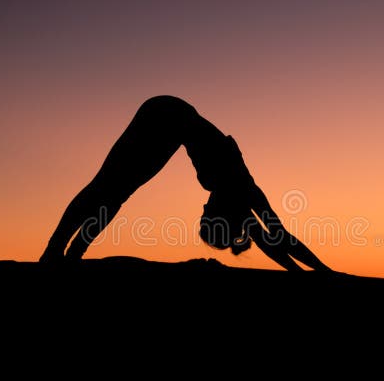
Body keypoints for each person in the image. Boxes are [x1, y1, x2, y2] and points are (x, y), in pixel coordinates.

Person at [40, 95, 331, 271]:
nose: (203, 206)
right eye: (207, 214)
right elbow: (278, 238)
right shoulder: (242, 190)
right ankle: (59, 252)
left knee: (113, 192)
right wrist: (322, 273)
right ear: (224, 214)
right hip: (167, 116)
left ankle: (71, 252)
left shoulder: (238, 195)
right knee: (108, 188)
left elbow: (274, 240)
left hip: (169, 118)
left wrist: (313, 272)